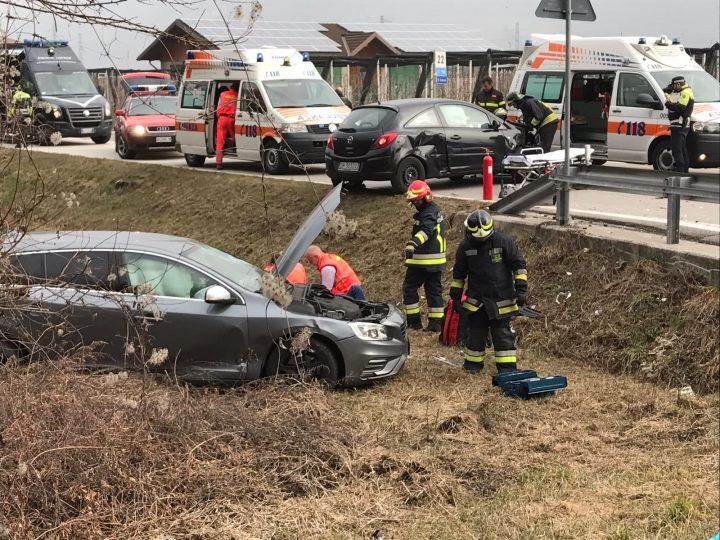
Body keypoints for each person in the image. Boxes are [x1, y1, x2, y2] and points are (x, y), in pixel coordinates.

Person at [449, 210, 528, 374]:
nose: (480, 241)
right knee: (475, 334)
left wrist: (521, 290)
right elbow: (459, 274)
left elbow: (518, 265)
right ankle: (472, 366)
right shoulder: (465, 246)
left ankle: (507, 370)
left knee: (502, 335)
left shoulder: (504, 242)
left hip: (501, 299)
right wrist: (455, 297)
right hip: (477, 300)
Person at [403, 180, 447, 332]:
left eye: (417, 200)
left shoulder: (428, 213)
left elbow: (425, 232)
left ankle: (414, 323)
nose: (415, 203)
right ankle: (436, 324)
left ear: (426, 197)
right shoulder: (432, 210)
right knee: (433, 290)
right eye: (413, 201)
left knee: (409, 288)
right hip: (435, 260)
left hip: (423, 260)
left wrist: (413, 244)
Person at [663, 75, 694, 173]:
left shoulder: (685, 92)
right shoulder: (680, 92)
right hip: (678, 125)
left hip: (679, 125)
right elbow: (671, 95)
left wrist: (668, 104)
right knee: (682, 149)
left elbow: (680, 107)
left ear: (678, 84)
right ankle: (684, 170)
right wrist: (667, 92)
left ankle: (680, 171)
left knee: (677, 150)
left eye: (674, 85)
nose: (673, 87)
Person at [215, 83, 238, 171]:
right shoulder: (237, 95)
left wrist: (219, 116)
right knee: (235, 137)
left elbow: (218, 106)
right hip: (232, 119)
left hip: (222, 118)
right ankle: (237, 151)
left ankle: (219, 163)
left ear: (230, 88)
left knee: (220, 141)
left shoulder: (222, 94)